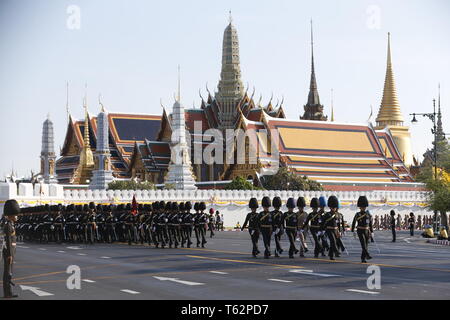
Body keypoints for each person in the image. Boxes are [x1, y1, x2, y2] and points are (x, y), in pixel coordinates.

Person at [2, 199, 20, 298]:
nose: (17, 216)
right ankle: (7, 292)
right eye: (15, 214)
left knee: (9, 271)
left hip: (11, 250)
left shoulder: (9, 223)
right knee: (8, 272)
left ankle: (8, 291)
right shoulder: (8, 225)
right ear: (11, 214)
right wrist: (9, 254)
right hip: (9, 251)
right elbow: (8, 240)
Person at [351, 196, 373, 263]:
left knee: (366, 245)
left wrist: (372, 231)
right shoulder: (358, 214)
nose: (363, 208)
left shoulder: (368, 214)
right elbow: (354, 222)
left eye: (364, 207)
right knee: (363, 244)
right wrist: (353, 231)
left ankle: (363, 258)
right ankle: (367, 255)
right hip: (360, 230)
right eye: (362, 207)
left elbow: (370, 223)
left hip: (366, 230)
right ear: (360, 207)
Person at [321, 196, 341, 260]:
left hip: (335, 230)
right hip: (329, 230)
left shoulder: (337, 215)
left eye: (334, 207)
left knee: (333, 243)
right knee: (333, 241)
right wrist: (321, 230)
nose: (333, 208)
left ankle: (331, 255)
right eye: (332, 207)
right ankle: (337, 252)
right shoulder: (327, 214)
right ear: (330, 207)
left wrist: (339, 231)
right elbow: (322, 222)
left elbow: (338, 224)